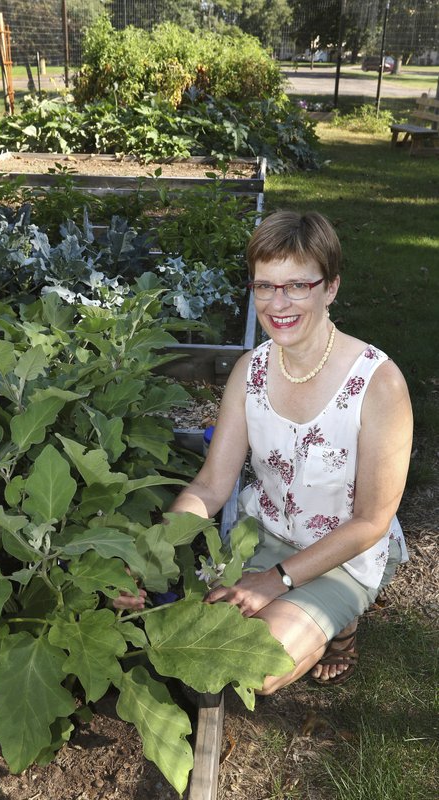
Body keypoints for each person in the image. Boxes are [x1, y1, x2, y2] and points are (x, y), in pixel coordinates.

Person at [115, 210, 413, 691]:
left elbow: (370, 522)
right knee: (213, 642)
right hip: (264, 535)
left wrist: (274, 581)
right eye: (264, 286)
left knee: (258, 668)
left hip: (343, 554)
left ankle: (341, 625)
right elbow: (212, 485)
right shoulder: (250, 372)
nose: (279, 303)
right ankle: (312, 620)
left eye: (297, 286)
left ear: (330, 287)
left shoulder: (378, 384)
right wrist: (145, 559)